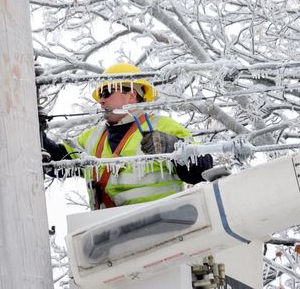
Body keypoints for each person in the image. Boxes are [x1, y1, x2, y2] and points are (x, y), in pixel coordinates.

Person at [41, 62, 213, 210]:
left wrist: (173, 145)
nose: (101, 100)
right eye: (100, 95)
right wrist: (36, 129)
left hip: (164, 224)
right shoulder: (92, 137)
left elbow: (203, 168)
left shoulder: (164, 126)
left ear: (131, 95)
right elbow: (57, 161)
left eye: (106, 93)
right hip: (111, 234)